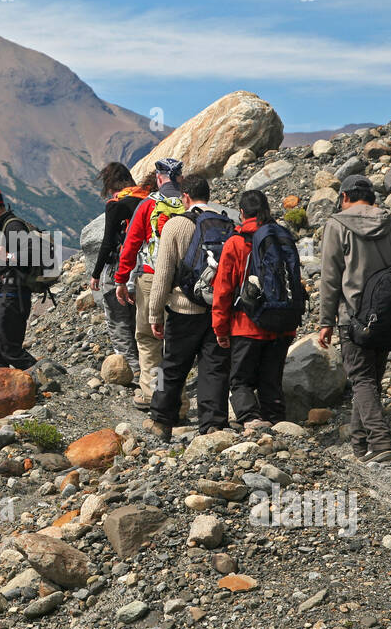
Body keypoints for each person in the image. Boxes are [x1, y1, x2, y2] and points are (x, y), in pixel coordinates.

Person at [317, 175, 391, 464]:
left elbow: (330, 278)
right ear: (371, 197)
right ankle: (361, 446)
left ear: (344, 197)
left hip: (353, 316)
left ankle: (381, 442)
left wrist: (325, 321)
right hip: (387, 313)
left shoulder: (337, 225)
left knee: (361, 378)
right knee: (370, 380)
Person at [144, 174, 232, 440]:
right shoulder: (226, 224)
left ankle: (161, 421)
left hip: (183, 309)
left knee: (170, 367)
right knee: (214, 368)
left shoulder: (175, 225)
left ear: (185, 197)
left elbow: (163, 274)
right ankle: (213, 425)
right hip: (217, 310)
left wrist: (154, 313)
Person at [211, 189, 298, 431]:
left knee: (241, 380)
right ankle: (278, 421)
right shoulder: (281, 238)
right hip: (281, 323)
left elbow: (224, 290)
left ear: (241, 213)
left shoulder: (236, 243)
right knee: (271, 379)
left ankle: (251, 419)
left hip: (246, 325)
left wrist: (220, 327)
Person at [114, 157, 185, 408]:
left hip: (150, 277)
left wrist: (121, 279)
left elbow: (131, 244)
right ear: (181, 179)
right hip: (183, 283)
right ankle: (177, 398)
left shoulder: (148, 205)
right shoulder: (189, 204)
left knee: (148, 338)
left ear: (158, 178)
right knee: (176, 343)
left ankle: (153, 395)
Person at [89, 163, 150, 380]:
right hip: (148, 269)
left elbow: (107, 242)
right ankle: (150, 372)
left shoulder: (117, 205)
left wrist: (96, 273)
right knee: (142, 322)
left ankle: (131, 371)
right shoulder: (148, 199)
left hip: (120, 268)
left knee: (119, 320)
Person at [0, 185, 38, 370]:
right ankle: (0, 393)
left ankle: (47, 380)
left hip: (15, 294)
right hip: (4, 292)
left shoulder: (13, 226)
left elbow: (32, 256)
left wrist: (8, 256)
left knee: (9, 349)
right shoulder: (3, 228)